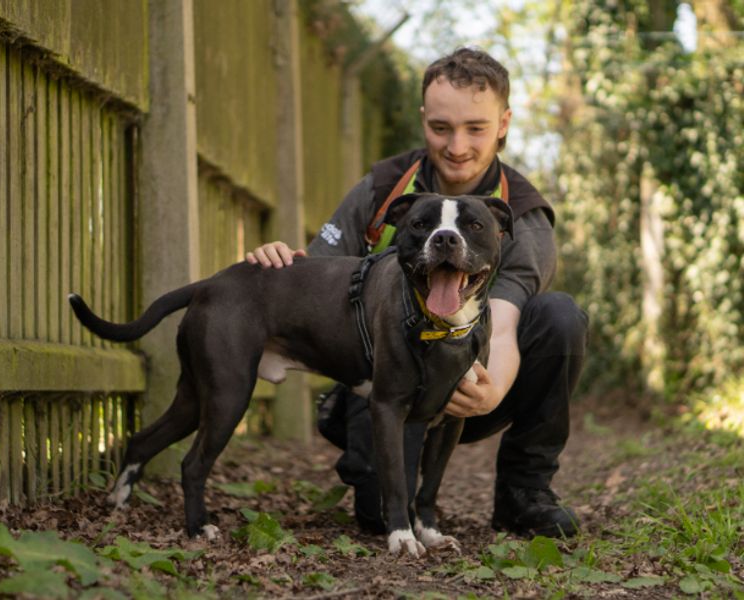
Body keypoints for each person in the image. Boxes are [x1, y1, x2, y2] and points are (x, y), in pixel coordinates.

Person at [246, 47, 588, 538]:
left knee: (561, 317)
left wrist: (487, 391)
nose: (457, 145)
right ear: (424, 118)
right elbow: (314, 277)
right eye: (442, 127)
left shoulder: (523, 214)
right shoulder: (384, 188)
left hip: (475, 384)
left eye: (476, 127)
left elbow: (504, 319)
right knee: (374, 514)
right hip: (388, 387)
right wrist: (279, 262)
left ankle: (525, 490)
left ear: (504, 123)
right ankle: (375, 465)